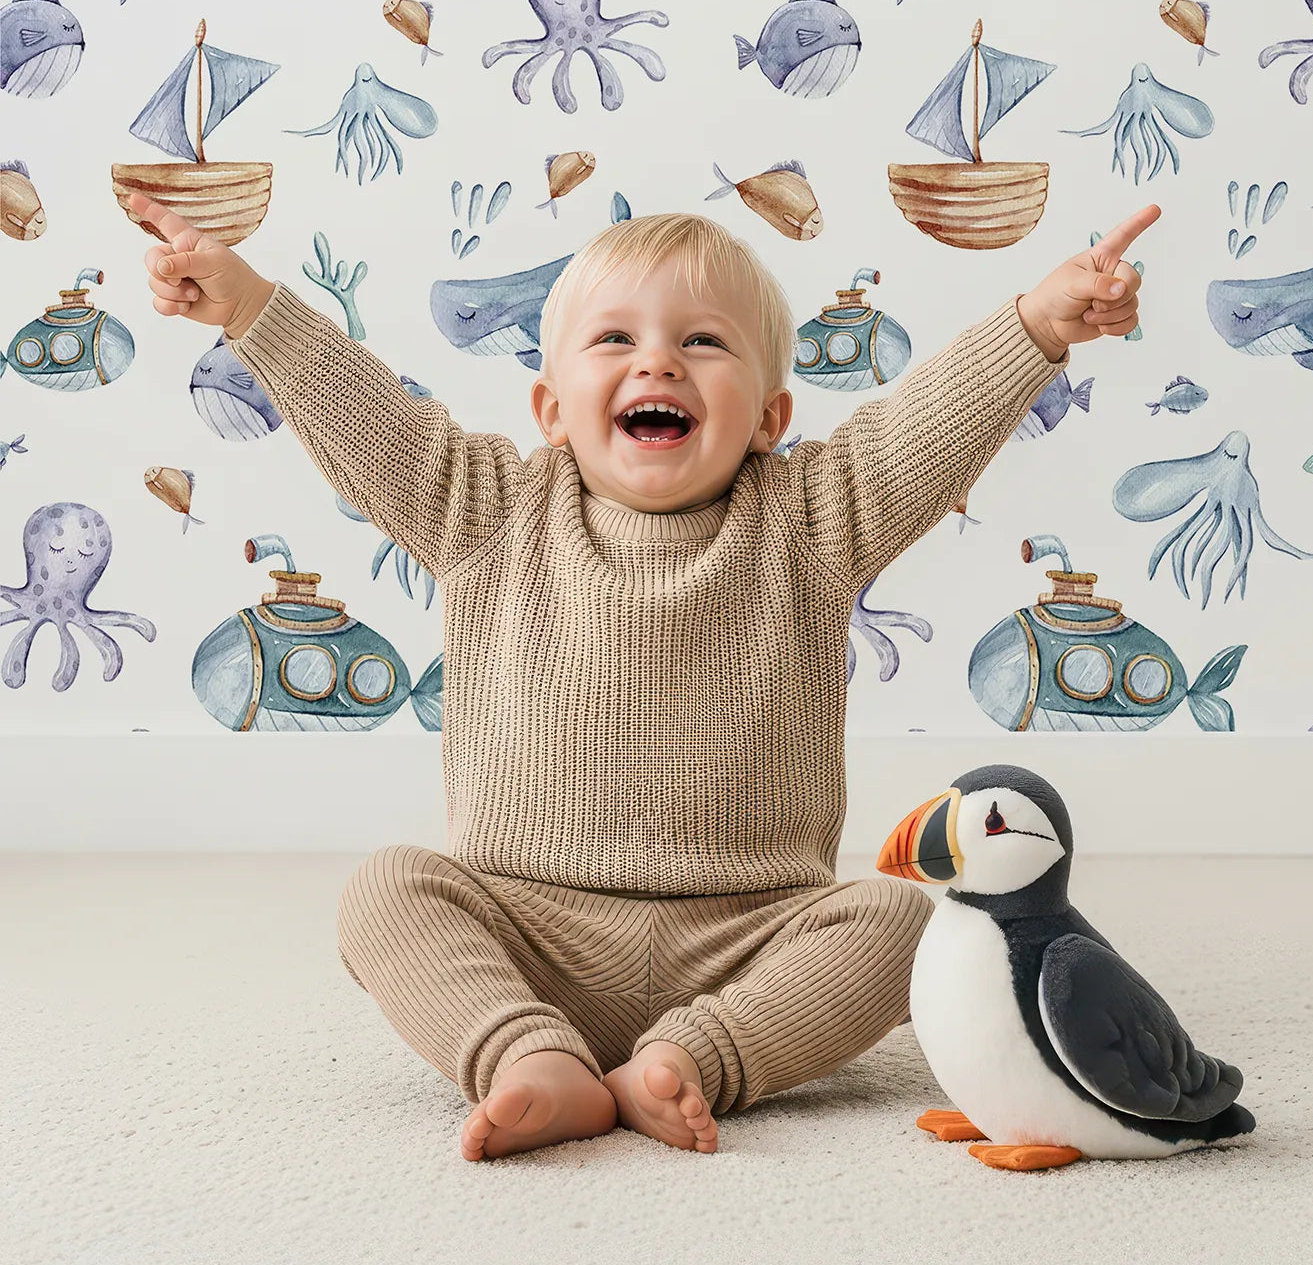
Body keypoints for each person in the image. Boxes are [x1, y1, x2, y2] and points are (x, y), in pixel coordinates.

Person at [129, 191, 1156, 1162]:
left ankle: (687, 1059)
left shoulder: (811, 518)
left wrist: (1039, 321)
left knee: (903, 922)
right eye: (613, 339)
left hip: (748, 937)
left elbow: (924, 424)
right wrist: (250, 305)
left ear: (765, 414)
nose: (656, 361)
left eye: (701, 341)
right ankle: (524, 1051)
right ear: (550, 406)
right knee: (386, 890)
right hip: (526, 924)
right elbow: (367, 418)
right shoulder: (484, 509)